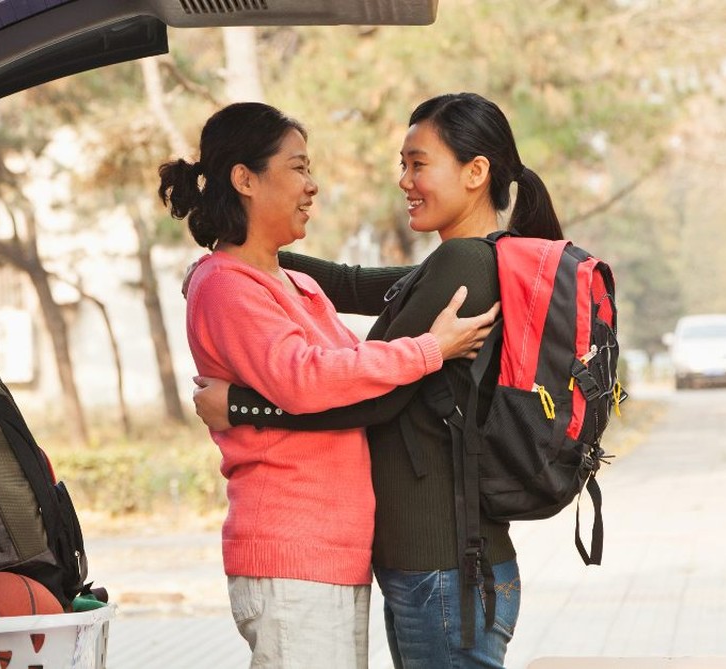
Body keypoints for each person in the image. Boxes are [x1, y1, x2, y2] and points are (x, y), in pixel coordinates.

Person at [193, 92, 565, 669]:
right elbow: (359, 282)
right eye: (403, 164)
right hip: (428, 558)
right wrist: (250, 254)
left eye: (418, 164)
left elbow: (372, 399)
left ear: (475, 172)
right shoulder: (471, 260)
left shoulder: (465, 266)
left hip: (440, 558)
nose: (404, 180)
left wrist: (243, 408)